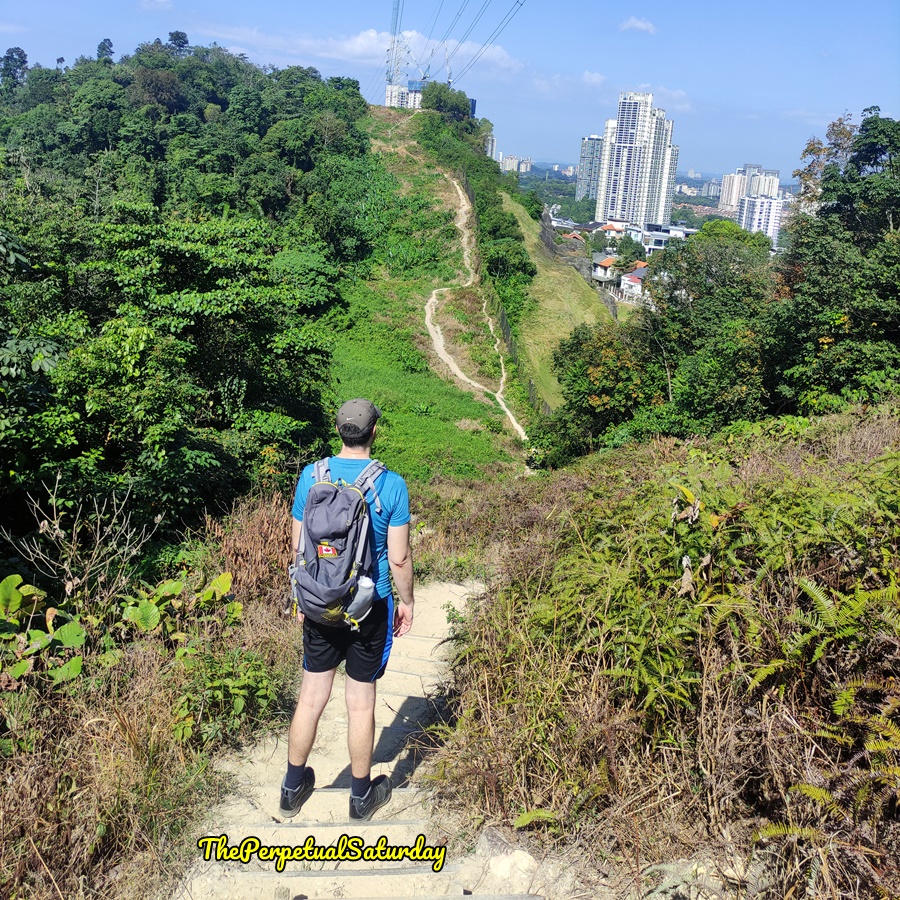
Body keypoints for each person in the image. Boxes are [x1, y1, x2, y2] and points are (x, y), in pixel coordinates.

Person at [280, 398, 415, 821]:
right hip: (367, 607)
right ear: (375, 432)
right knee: (360, 702)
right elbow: (398, 558)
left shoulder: (311, 476)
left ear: (339, 431)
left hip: (319, 602)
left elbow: (299, 545)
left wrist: (303, 596)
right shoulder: (391, 485)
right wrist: (407, 601)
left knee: (311, 697)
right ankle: (360, 797)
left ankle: (290, 790)